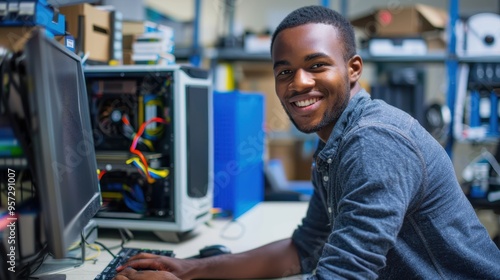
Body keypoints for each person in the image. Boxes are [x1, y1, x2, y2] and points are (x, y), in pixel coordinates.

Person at [114, 5, 500, 280]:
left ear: (353, 69)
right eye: (285, 71)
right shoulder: (335, 144)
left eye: (316, 66)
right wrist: (191, 269)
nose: (298, 83)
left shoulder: (374, 143)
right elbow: (305, 248)